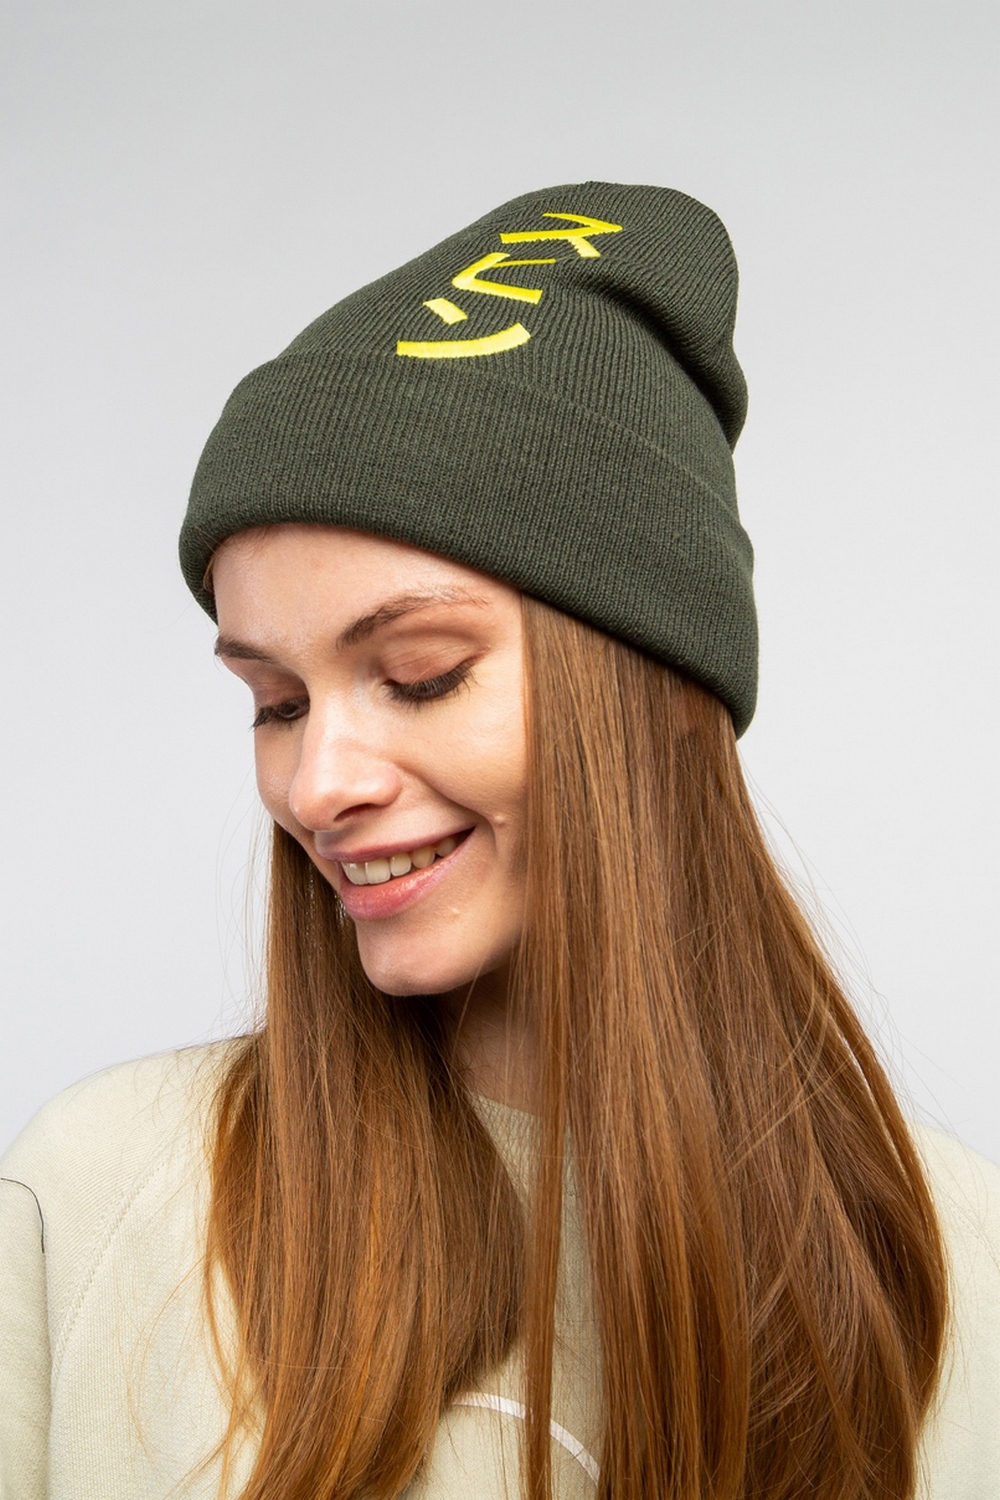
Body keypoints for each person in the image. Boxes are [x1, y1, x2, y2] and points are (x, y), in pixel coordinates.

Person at [1, 181, 997, 1500]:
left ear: (654, 686)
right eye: (275, 702)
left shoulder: (957, 1259)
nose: (317, 785)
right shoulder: (89, 1198)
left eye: (418, 675)